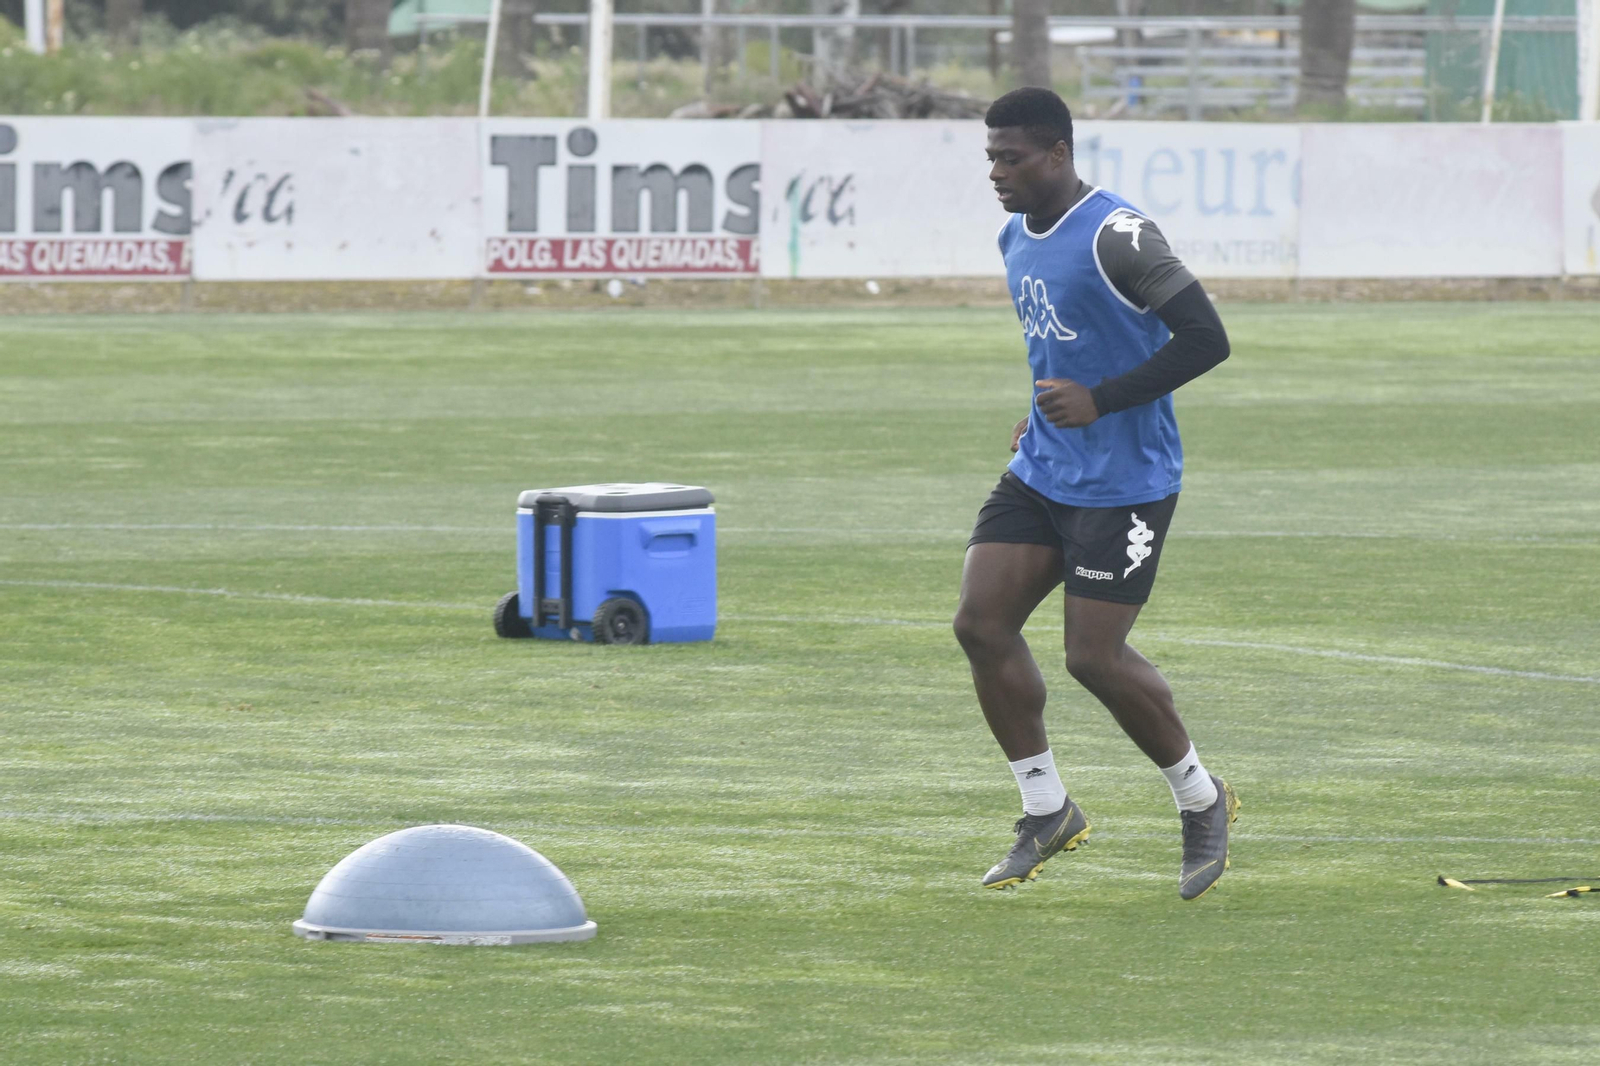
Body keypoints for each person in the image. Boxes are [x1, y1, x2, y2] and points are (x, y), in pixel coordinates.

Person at [953, 87, 1238, 900]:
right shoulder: (1014, 235)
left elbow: (1207, 339)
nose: (996, 172)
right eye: (990, 158)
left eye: (1011, 158)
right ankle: (1047, 809)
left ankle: (1202, 799)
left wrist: (1101, 400)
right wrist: (1043, 405)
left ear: (1058, 154)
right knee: (981, 624)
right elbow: (1063, 346)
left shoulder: (1121, 236)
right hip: (1044, 469)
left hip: (1126, 485)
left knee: (1093, 657)